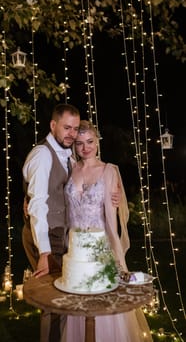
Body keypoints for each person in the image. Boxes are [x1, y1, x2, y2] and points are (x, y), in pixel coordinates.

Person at [62, 120, 153, 342]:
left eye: (90, 141)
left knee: (105, 305)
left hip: (100, 249)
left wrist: (117, 256)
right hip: (75, 249)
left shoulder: (109, 170)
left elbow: (112, 218)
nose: (86, 147)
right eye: (80, 143)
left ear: (97, 141)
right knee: (78, 302)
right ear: (75, 145)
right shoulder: (70, 166)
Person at [22, 103, 80, 342]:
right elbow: (37, 204)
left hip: (61, 234)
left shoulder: (67, 155)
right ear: (53, 125)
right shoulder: (43, 155)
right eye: (67, 127)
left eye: (75, 129)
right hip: (47, 236)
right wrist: (44, 251)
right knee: (54, 304)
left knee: (62, 300)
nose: (72, 134)